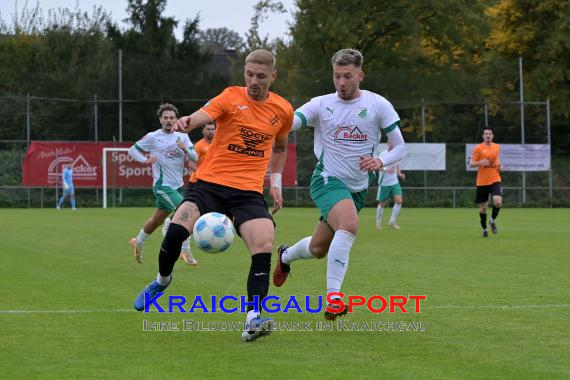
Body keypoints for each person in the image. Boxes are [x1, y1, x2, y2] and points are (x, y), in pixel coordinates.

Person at [132, 49, 294, 343]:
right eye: (249, 74)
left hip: (247, 192)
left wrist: (276, 183)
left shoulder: (283, 110)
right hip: (209, 184)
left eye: (260, 76)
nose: (254, 81)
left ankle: (253, 319)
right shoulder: (231, 96)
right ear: (244, 72)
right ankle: (162, 281)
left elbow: (280, 147)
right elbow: (203, 114)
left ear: (273, 75)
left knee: (264, 243)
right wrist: (187, 121)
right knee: (176, 230)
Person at [272, 48, 406, 321]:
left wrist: (380, 161)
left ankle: (286, 256)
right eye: (337, 76)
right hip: (326, 180)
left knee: (318, 249)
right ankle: (334, 298)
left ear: (360, 75)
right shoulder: (321, 104)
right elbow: (294, 121)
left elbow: (400, 146)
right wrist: (276, 124)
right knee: (350, 225)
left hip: (356, 190)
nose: (341, 82)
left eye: (347, 76)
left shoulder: (378, 104)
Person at [128, 103, 199, 266]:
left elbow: (195, 157)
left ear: (176, 119)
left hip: (177, 185)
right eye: (165, 118)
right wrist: (145, 160)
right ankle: (185, 251)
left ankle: (138, 242)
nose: (168, 120)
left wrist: (185, 150)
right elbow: (132, 150)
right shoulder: (153, 137)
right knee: (185, 211)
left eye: (172, 118)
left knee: (156, 220)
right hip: (162, 186)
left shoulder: (183, 137)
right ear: (160, 120)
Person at [161, 123, 216, 247]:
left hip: (211, 183)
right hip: (196, 182)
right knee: (187, 208)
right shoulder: (199, 145)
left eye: (213, 129)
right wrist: (203, 174)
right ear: (203, 131)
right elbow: (191, 164)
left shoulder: (218, 144)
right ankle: (171, 223)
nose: (211, 131)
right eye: (208, 129)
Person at [469, 127, 502, 237]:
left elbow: (497, 159)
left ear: (492, 136)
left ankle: (492, 221)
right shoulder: (478, 148)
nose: (488, 135)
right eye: (486, 134)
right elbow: (471, 163)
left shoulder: (497, 147)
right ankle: (484, 228)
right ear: (483, 136)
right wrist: (480, 162)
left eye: (490, 133)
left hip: (495, 179)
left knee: (498, 202)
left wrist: (499, 165)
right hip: (482, 181)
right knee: (483, 208)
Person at [375, 142, 405, 230]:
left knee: (399, 201)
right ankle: (378, 223)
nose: (392, 144)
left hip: (394, 182)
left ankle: (392, 221)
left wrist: (400, 174)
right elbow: (376, 167)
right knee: (382, 204)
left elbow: (397, 166)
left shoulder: (396, 154)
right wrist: (385, 169)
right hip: (384, 183)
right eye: (391, 143)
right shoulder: (383, 154)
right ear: (388, 144)